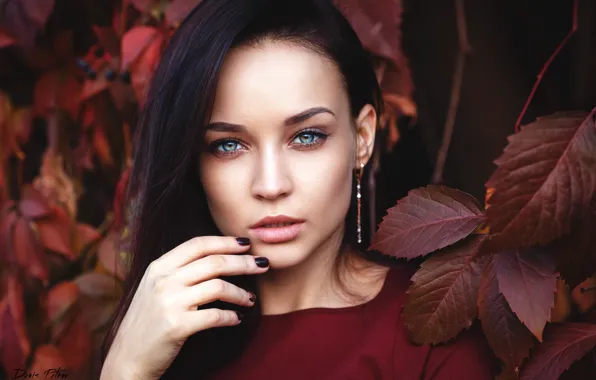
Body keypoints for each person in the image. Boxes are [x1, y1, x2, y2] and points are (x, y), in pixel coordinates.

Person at [99, 0, 496, 378]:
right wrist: (124, 371)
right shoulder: (155, 333)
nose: (271, 185)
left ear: (362, 138)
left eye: (306, 137)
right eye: (228, 145)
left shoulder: (432, 337)